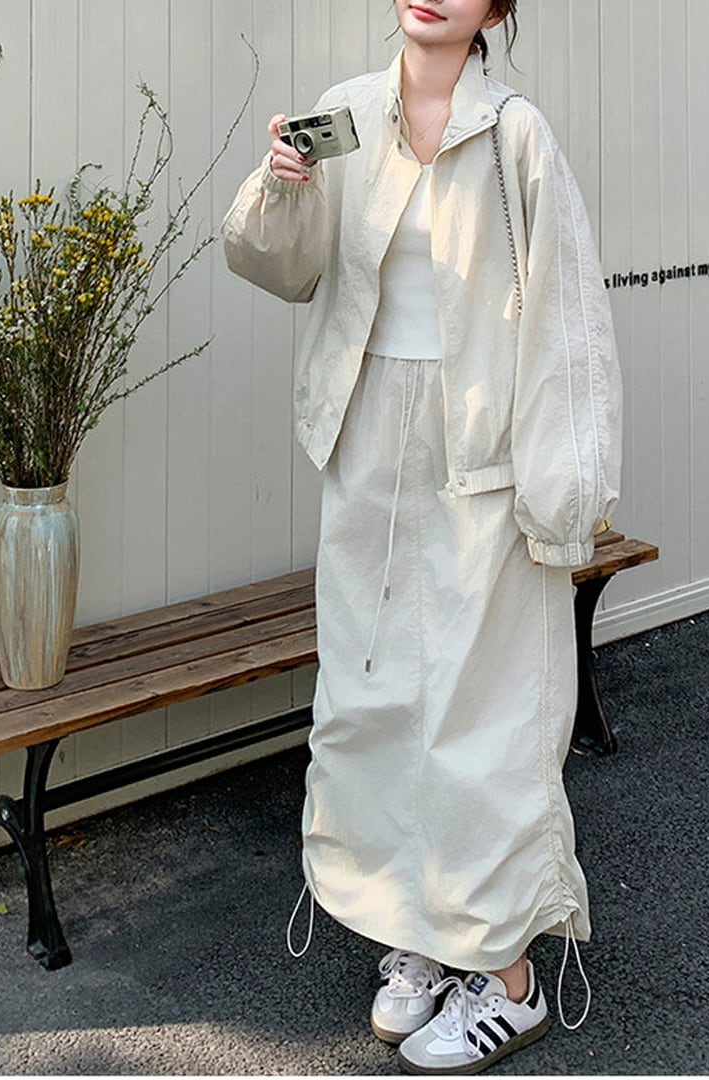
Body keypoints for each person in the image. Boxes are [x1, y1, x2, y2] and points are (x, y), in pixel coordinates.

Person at [222, 0, 622, 1072]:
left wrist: (566, 494)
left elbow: (569, 322)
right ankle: (421, 932)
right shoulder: (346, 113)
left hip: (483, 452)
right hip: (367, 442)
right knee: (376, 697)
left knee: (484, 711)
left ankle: (507, 975)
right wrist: (282, 184)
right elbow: (280, 267)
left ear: (498, 9)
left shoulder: (516, 134)